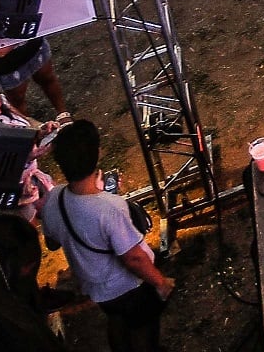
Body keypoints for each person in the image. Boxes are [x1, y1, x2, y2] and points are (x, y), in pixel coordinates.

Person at [40, 120, 173, 352]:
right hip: (129, 287)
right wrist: (160, 283)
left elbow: (52, 242)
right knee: (143, 328)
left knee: (117, 319)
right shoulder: (110, 208)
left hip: (98, 289)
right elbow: (133, 258)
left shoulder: (53, 199)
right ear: (97, 154)